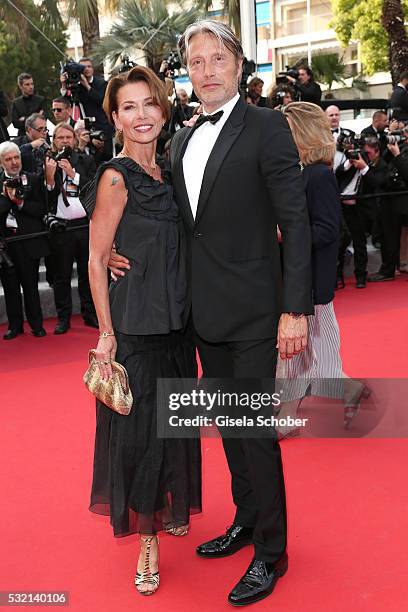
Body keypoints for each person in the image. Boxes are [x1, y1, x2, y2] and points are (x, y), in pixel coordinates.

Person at [109, 20, 313, 607]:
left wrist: (294, 309)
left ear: (239, 65)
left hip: (254, 313)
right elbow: (170, 220)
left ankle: (271, 552)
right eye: (195, 62)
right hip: (200, 314)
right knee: (228, 428)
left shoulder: (267, 127)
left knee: (253, 433)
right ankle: (247, 521)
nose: (206, 71)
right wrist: (118, 247)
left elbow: (295, 223)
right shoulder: (182, 140)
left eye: (216, 59)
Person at [81, 65, 202, 596]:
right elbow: (95, 257)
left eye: (148, 103)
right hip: (137, 327)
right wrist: (107, 332)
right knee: (145, 438)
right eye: (128, 107)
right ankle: (147, 545)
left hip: (179, 323)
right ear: (115, 118)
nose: (141, 115)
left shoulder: (171, 171)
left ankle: (171, 505)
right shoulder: (115, 176)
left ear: (163, 107)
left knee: (175, 424)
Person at [278, 102, 367, 430]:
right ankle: (346, 389)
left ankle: (287, 417)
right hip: (306, 277)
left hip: (312, 278)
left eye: (287, 130)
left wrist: (285, 235)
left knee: (302, 351)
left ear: (300, 131)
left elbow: (329, 229)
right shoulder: (306, 171)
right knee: (308, 350)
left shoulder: (318, 175)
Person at [44, 122, 98, 334]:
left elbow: (94, 189)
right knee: (61, 275)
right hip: (62, 229)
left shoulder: (86, 160)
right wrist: (50, 177)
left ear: (75, 140)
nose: (65, 141)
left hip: (85, 226)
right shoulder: (48, 162)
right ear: (54, 141)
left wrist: (73, 173)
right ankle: (63, 318)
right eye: (60, 138)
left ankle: (90, 313)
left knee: (88, 273)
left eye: (68, 137)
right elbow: (46, 199)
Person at [0, 142, 48, 339]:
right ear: (1, 162)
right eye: (9, 159)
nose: (14, 162)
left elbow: (41, 209)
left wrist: (20, 203)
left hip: (29, 242)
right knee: (10, 288)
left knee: (31, 286)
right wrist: (6, 197)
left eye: (16, 158)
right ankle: (15, 326)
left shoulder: (34, 179)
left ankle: (37, 325)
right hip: (6, 245)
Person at [336, 141, 387, 287]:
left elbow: (377, 182)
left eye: (368, 153)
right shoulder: (352, 164)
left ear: (375, 153)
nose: (364, 156)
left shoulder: (378, 166)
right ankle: (337, 275)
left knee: (359, 242)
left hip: (359, 209)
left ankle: (360, 276)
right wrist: (349, 162)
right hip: (341, 205)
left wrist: (364, 167)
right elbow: (338, 173)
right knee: (340, 240)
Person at [368, 127, 408, 281]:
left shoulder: (401, 151)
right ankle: (387, 270)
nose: (403, 135)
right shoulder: (401, 147)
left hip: (404, 197)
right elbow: (384, 164)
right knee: (388, 236)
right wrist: (388, 146)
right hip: (391, 198)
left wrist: (397, 155)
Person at [60, 57, 114, 153]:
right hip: (85, 129)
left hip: (103, 127)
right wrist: (64, 85)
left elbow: (101, 101)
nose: (87, 69)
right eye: (84, 67)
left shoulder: (102, 83)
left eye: (89, 66)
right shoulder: (76, 85)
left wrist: (87, 86)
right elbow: (67, 102)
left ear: (93, 69)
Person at [11, 73, 47, 137]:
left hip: (40, 136)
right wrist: (35, 116)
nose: (31, 87)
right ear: (20, 86)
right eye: (27, 84)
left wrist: (24, 118)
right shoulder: (16, 103)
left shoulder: (41, 100)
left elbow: (43, 119)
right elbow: (15, 123)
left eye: (32, 84)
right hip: (22, 138)